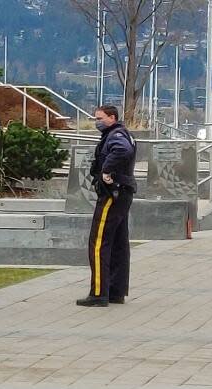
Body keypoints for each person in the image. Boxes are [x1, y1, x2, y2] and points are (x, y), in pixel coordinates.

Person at [76, 105, 137, 307]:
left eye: (100, 118)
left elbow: (122, 151)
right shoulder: (119, 133)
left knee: (99, 242)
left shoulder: (116, 135)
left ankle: (99, 292)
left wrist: (106, 171)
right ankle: (115, 291)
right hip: (123, 192)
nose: (97, 122)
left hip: (113, 193)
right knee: (119, 242)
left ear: (112, 117)